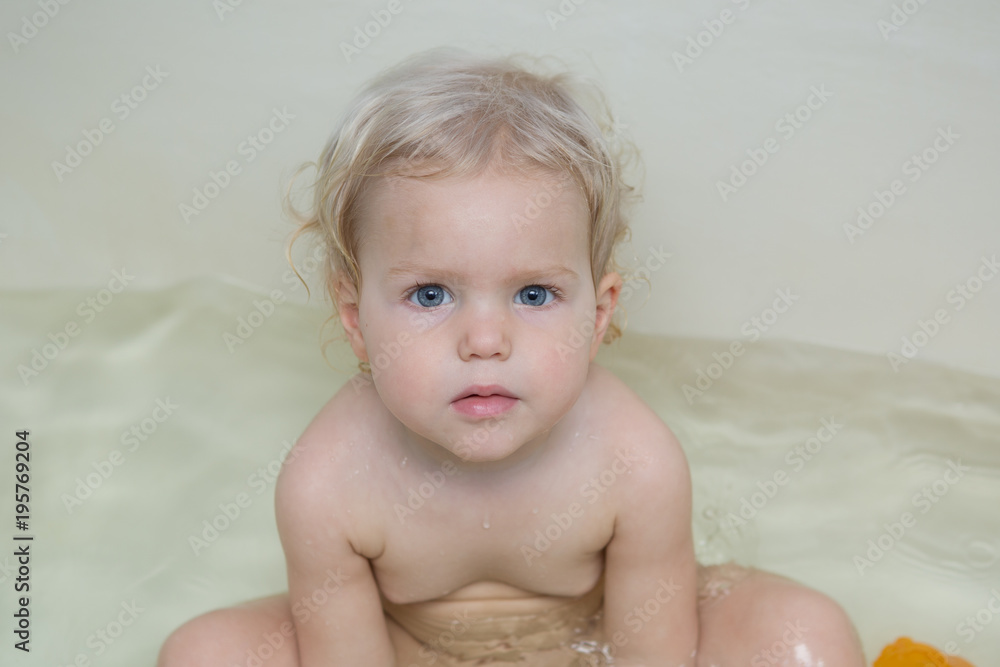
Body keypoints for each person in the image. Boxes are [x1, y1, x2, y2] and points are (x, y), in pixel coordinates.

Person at [158, 47, 866, 667]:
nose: (485, 340)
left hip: (604, 632)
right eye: (431, 294)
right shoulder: (328, 482)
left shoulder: (634, 460)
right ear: (355, 321)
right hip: (403, 644)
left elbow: (655, 650)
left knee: (805, 634)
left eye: (533, 293)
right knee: (201, 655)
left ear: (598, 315)